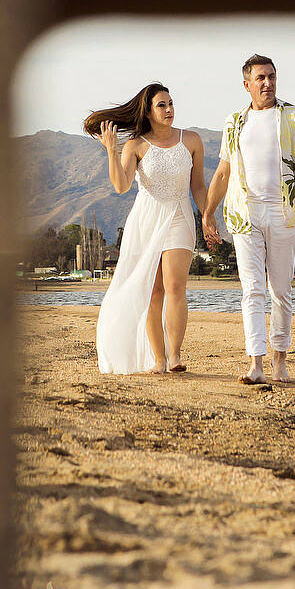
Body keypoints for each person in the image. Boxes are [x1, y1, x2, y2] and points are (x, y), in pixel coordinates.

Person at [203, 55, 295, 384]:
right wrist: (208, 212)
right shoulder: (234, 122)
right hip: (245, 215)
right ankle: (255, 364)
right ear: (247, 84)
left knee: (280, 290)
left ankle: (279, 361)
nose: (267, 83)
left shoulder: (293, 115)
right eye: (260, 78)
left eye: (271, 77)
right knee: (252, 289)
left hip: (284, 213)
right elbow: (223, 171)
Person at [86, 83, 207, 374]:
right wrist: (112, 152)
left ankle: (175, 356)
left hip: (180, 214)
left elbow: (199, 186)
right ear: (149, 112)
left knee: (176, 286)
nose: (169, 110)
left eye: (171, 103)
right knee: (154, 292)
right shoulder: (136, 146)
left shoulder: (191, 140)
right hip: (146, 220)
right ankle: (159, 359)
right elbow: (121, 185)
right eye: (162, 105)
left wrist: (209, 216)